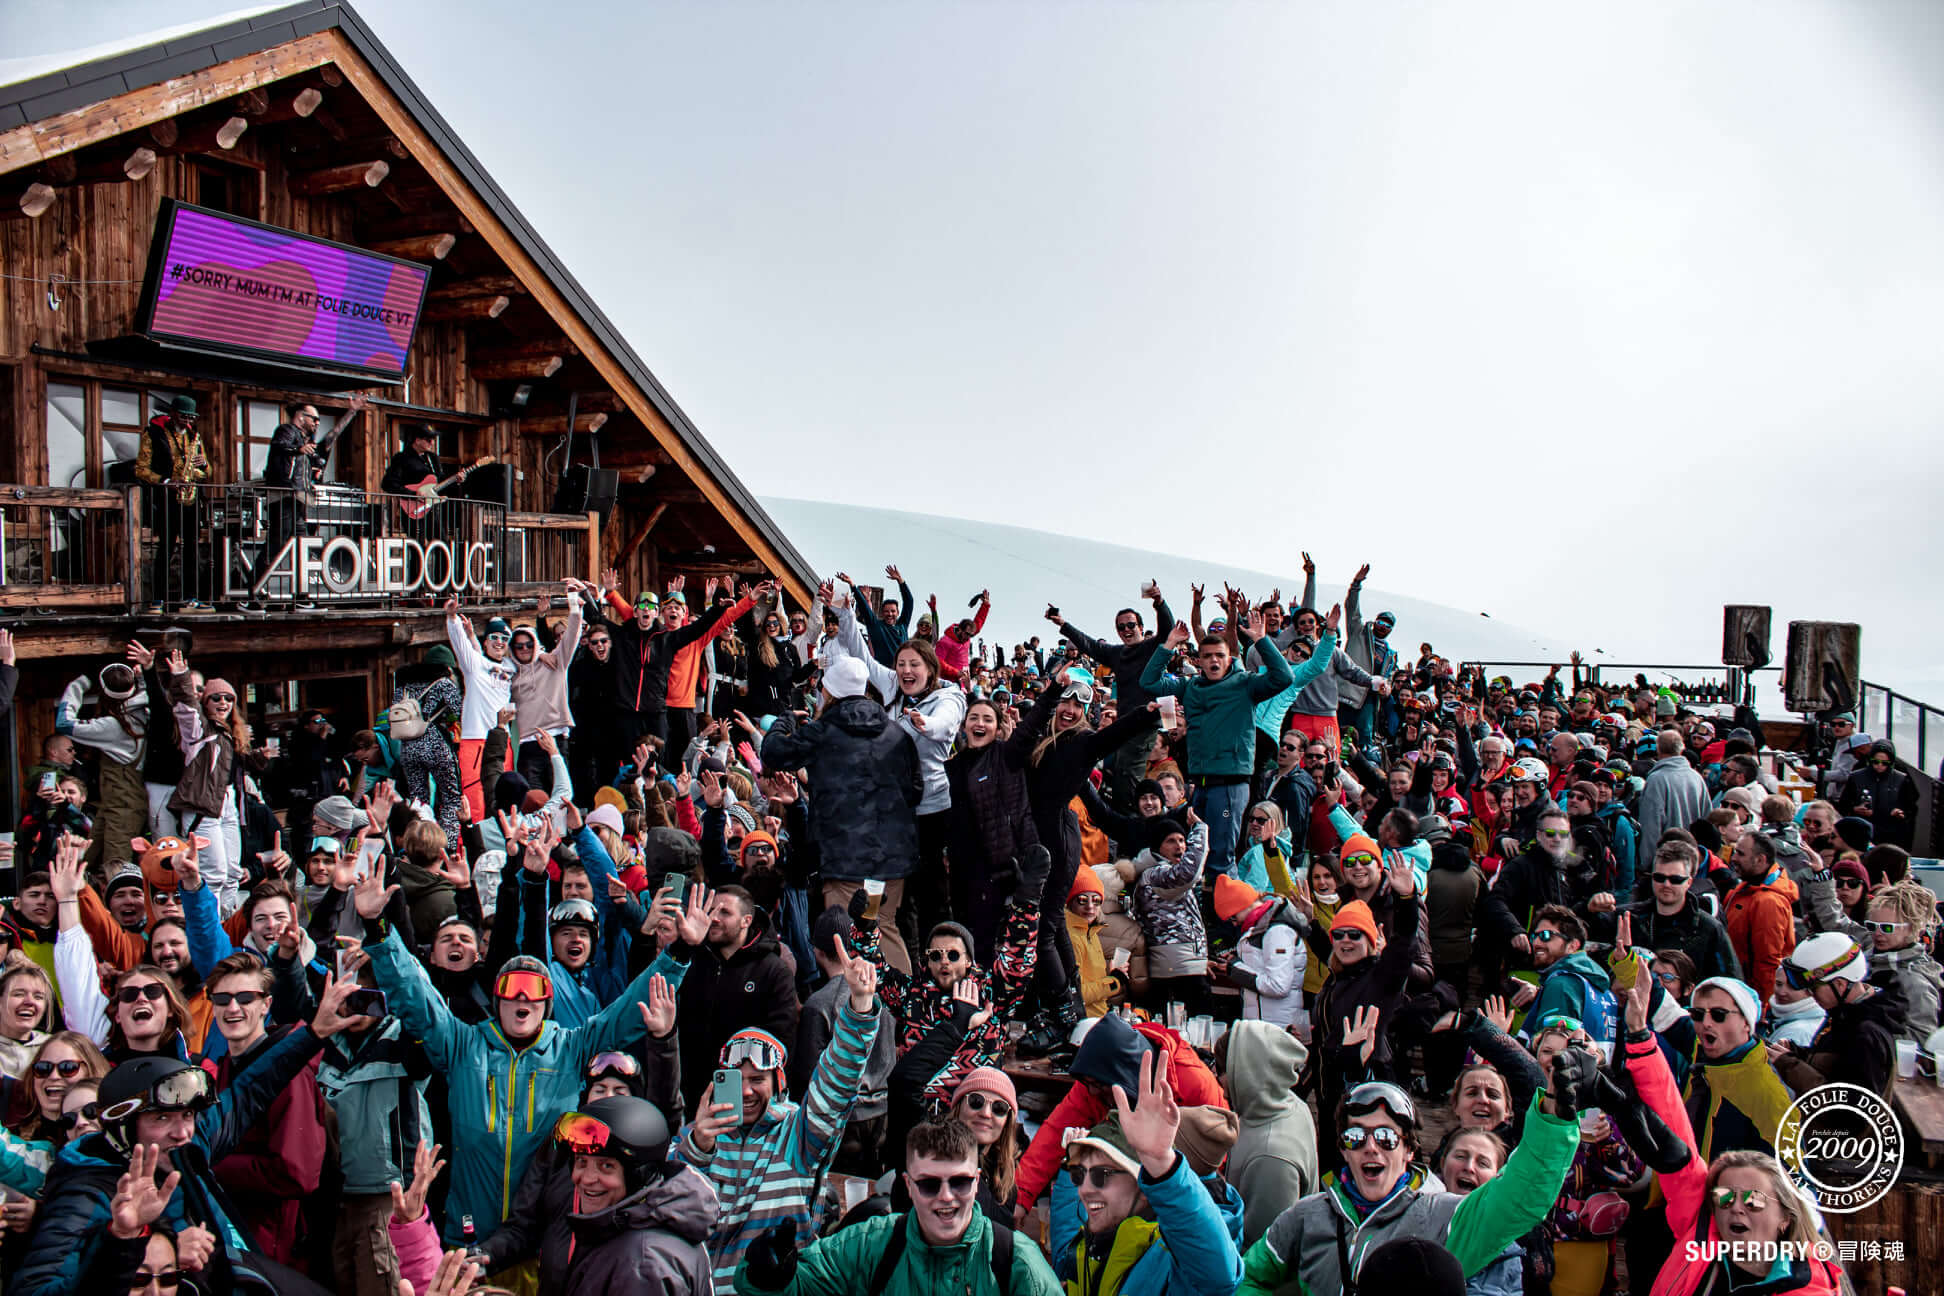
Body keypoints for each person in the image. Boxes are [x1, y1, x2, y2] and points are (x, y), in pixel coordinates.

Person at [358, 867, 702, 1244]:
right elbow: (414, 993)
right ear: (496, 999)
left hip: (546, 1241)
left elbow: (626, 1010)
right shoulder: (462, 1044)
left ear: (547, 1003)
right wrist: (377, 927)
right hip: (470, 1236)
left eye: (534, 988)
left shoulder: (572, 1046)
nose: (523, 997)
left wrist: (680, 952)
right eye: (511, 986)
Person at [11, 976, 362, 1296]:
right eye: (161, 1117)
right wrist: (140, 1247)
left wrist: (313, 1033)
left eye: (188, 1115)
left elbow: (251, 1090)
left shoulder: (188, 1145)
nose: (181, 1131)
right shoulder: (87, 1190)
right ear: (123, 1128)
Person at [681, 938, 883, 1296]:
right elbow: (668, 1214)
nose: (745, 1091)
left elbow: (835, 1086)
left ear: (778, 1085)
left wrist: (859, 1008)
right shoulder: (698, 1138)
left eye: (757, 1080)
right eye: (736, 1079)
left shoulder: (796, 1135)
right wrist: (696, 1151)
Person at [735, 1117, 1061, 1296]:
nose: (946, 1197)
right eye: (930, 1184)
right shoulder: (870, 1244)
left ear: (977, 1182)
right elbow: (802, 1286)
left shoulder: (1015, 1262)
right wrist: (769, 1276)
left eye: (959, 1182)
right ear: (908, 1186)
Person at [762, 655, 924, 974]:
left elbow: (772, 752)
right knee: (882, 929)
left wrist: (785, 719)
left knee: (843, 944)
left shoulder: (823, 731)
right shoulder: (897, 734)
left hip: (845, 863)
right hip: (887, 865)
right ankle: (907, 1014)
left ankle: (858, 1017)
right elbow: (916, 790)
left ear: (829, 692)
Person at [1141, 606, 1331, 879]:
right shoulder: (1189, 686)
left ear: (1229, 660)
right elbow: (1149, 682)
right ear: (1200, 660)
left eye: (1220, 655)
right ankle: (1204, 910)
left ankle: (1227, 916)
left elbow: (1284, 678)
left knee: (1221, 856)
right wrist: (1169, 644)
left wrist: (1261, 640)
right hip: (1202, 785)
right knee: (1199, 854)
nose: (1214, 661)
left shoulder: (1246, 684)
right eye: (1207, 657)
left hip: (1230, 785)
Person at [1048, 1049, 1244, 1296]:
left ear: (1143, 1186)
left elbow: (1219, 1281)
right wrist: (1068, 1177)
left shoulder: (1169, 1258)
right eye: (1079, 1174)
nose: (1085, 1189)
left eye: (1102, 1175)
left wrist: (1162, 1165)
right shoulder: (1099, 1238)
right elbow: (1066, 1257)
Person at [1221, 1019, 1317, 1247]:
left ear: (1246, 1073)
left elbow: (1262, 1247)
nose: (1217, 1077)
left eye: (1223, 1069)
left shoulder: (1271, 1157)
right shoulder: (1289, 1102)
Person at [1772, 934, 1903, 1097]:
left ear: (1840, 984)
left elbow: (1853, 1111)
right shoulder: (1845, 1015)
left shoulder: (1866, 1034)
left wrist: (1790, 1066)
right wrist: (1796, 1053)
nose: (1811, 994)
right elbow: (1835, 1067)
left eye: (1814, 987)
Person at [133, 394, 210, 609]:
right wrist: (166, 481)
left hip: (190, 498)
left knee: (192, 549)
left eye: (191, 418)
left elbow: (207, 472)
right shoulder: (154, 433)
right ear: (173, 414)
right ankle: (158, 599)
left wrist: (203, 465)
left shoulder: (194, 436)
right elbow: (141, 469)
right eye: (184, 417)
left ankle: (191, 597)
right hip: (167, 499)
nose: (188, 422)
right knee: (166, 549)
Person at [1720, 832, 1798, 1004]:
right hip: (1738, 989)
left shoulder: (1768, 903)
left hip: (1750, 998)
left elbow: (1768, 964)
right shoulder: (1747, 887)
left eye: (1740, 854)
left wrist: (1762, 1007)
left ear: (1760, 860)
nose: (1733, 858)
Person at [1861, 879, 1941, 1042]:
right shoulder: (1866, 958)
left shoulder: (1915, 980)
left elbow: (1923, 1037)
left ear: (1911, 928)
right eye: (1871, 926)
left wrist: (1871, 1032)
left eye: (1887, 927)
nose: (1877, 933)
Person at [1634, 730, 1712, 879]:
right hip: (1692, 860)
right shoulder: (1696, 777)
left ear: (1658, 749)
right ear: (1681, 748)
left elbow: (1651, 825)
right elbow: (1706, 819)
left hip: (1666, 863)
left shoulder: (1656, 779)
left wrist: (1647, 864)